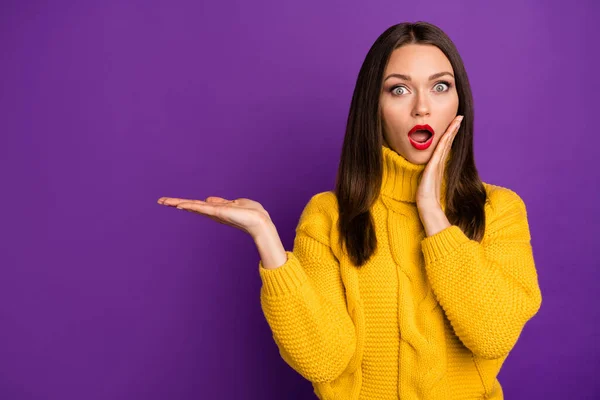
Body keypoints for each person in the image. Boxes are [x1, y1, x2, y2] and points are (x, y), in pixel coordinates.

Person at [157, 21, 542, 400]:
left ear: (460, 103)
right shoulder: (328, 215)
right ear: (373, 106)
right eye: (399, 89)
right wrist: (267, 240)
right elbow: (324, 362)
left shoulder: (500, 210)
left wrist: (432, 213)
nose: (422, 107)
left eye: (440, 86)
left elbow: (492, 335)